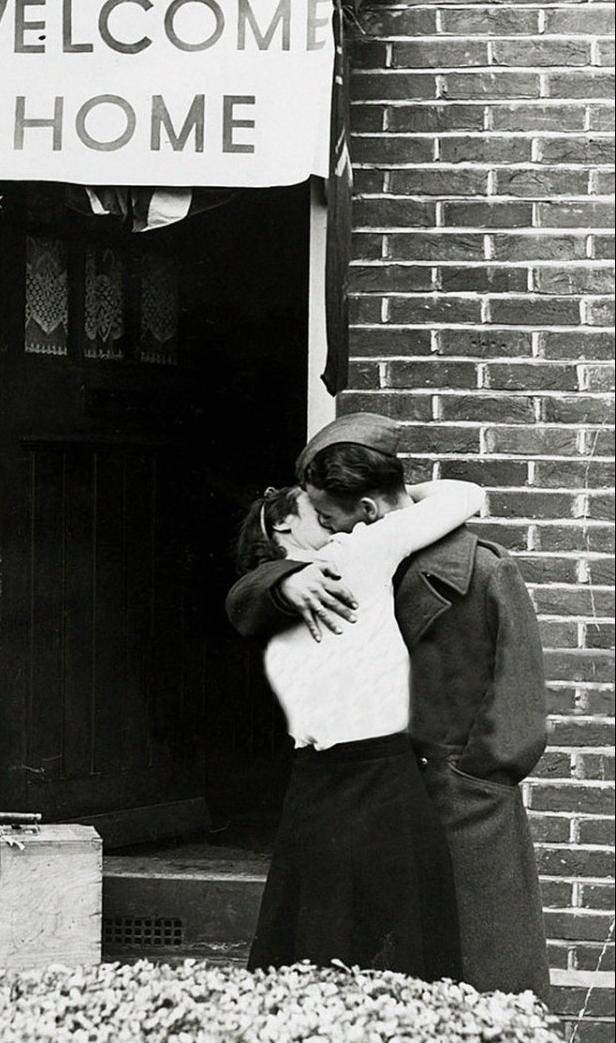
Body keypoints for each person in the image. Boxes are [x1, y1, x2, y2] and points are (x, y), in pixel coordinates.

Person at [227, 412, 551, 1002]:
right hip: (378, 795)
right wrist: (282, 581)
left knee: (482, 988)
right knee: (372, 983)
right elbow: (254, 579)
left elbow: (519, 705)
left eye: (326, 517)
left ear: (367, 512)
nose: (322, 529)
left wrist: (476, 779)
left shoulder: (478, 569)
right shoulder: (337, 562)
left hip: (461, 803)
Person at [235, 468, 486, 981]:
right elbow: (467, 494)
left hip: (334, 780)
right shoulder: (356, 554)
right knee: (392, 945)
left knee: (317, 941)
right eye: (321, 512)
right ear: (283, 524)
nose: (341, 519)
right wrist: (392, 497)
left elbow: (244, 596)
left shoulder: (280, 590)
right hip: (367, 777)